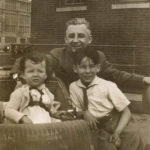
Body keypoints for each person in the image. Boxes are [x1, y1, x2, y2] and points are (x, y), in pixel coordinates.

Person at [11, 18, 150, 114]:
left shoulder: (97, 56)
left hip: (92, 106)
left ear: (89, 39)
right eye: (71, 36)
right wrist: (18, 78)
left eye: (80, 36)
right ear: (65, 39)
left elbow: (116, 75)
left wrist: (142, 79)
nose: (75, 40)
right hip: (66, 103)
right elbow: (27, 61)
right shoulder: (57, 55)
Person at [69, 49, 145, 150]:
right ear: (75, 68)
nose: (87, 71)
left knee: (130, 144)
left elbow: (126, 112)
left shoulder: (108, 86)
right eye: (83, 67)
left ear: (98, 68)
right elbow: (77, 111)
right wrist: (84, 113)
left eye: (92, 66)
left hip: (117, 122)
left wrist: (117, 132)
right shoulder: (73, 87)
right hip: (97, 127)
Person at [5, 52, 60, 124]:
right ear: (23, 75)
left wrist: (56, 113)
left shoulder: (48, 93)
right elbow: (8, 110)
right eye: (31, 71)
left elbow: (49, 110)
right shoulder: (20, 93)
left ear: (46, 75)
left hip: (46, 129)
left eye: (40, 71)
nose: (35, 74)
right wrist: (22, 117)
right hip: (28, 130)